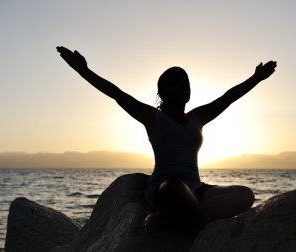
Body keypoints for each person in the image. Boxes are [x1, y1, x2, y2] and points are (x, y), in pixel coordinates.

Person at [56, 46, 277, 233]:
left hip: (196, 189)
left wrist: (256, 78)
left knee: (245, 194)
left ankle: (175, 221)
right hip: (165, 188)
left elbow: (228, 97)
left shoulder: (197, 117)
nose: (182, 88)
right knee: (175, 187)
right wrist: (83, 70)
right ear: (162, 92)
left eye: (185, 84)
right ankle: (195, 220)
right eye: (175, 83)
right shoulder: (153, 117)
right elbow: (116, 93)